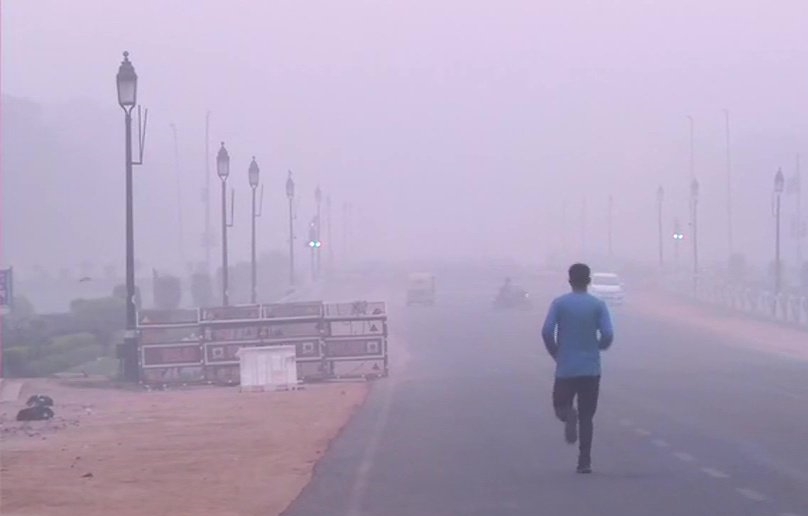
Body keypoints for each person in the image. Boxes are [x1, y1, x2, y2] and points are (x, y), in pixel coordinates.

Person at [541, 263, 614, 474]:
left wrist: (555, 352)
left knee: (560, 406)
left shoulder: (559, 304)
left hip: (566, 367)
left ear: (570, 280)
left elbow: (547, 331)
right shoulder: (598, 305)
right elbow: (608, 334)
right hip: (591, 368)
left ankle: (567, 415)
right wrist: (598, 346)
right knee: (587, 417)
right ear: (588, 281)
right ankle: (585, 461)